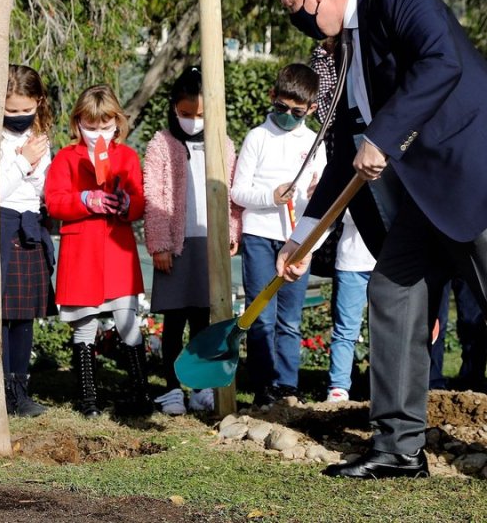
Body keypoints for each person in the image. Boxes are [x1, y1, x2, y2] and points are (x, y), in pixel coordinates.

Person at [275, 0, 487, 479]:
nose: (293, 18)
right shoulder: (342, 53)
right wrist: (302, 237)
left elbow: (444, 62)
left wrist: (385, 136)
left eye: (291, 6)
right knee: (392, 290)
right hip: (421, 200)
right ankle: (398, 446)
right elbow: (344, 154)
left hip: (473, 180)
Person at [45, 84, 150, 417]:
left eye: (105, 126)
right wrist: (83, 199)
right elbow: (54, 201)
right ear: (78, 124)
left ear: (117, 123)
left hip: (117, 250)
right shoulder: (65, 157)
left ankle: (140, 393)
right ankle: (88, 397)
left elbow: (140, 202)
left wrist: (126, 204)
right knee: (84, 322)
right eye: (91, 127)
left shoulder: (127, 156)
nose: (99, 133)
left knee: (127, 318)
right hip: (82, 250)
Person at [143, 66, 242, 416]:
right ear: (173, 108)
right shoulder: (161, 145)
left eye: (200, 115)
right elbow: (154, 195)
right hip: (175, 246)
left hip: (209, 246)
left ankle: (201, 387)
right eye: (186, 114)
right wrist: (159, 244)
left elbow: (231, 193)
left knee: (204, 320)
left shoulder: (223, 144)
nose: (193, 121)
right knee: (173, 322)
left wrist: (231, 233)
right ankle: (171, 388)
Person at [230, 63, 325, 407]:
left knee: (290, 319)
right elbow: (239, 192)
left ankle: (287, 386)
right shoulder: (258, 137)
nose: (287, 116)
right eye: (281, 108)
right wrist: (271, 195)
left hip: (299, 239)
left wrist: (314, 197)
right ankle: (263, 386)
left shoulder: (315, 142)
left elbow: (323, 202)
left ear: (311, 109)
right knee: (261, 316)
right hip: (259, 235)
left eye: (296, 112)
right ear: (272, 97)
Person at [0, 65, 57, 417]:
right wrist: (22, 162)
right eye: (11, 111)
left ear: (38, 102)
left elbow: (39, 190)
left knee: (24, 317)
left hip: (29, 226)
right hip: (0, 224)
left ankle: (20, 391)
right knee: (0, 314)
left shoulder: (38, 136)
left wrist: (34, 168)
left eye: (26, 110)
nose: (19, 117)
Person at [326, 211, 376, 402]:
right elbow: (340, 214)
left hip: (389, 263)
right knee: (345, 329)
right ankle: (338, 387)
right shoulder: (350, 179)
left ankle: (381, 385)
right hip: (352, 262)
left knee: (386, 331)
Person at [429, 279, 485, 391]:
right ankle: (431, 380)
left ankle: (472, 379)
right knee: (435, 322)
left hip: (468, 265)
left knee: (473, 323)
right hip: (436, 264)